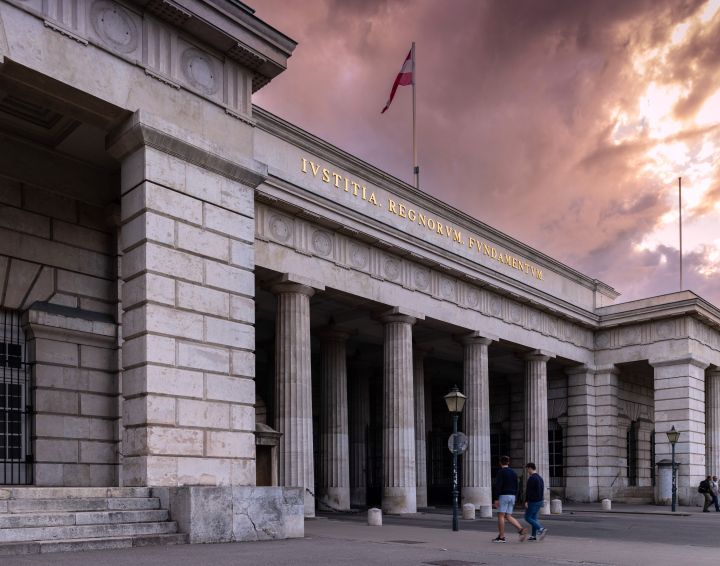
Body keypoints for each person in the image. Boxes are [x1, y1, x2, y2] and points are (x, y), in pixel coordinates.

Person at [492, 455, 528, 543]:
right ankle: (520, 529)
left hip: (503, 495)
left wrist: (496, 498)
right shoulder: (513, 472)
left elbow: (498, 485)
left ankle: (501, 537)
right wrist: (514, 494)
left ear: (500, 463)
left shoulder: (501, 472)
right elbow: (516, 484)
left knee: (500, 516)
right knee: (508, 516)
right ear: (508, 463)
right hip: (512, 495)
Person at [524, 463, 548, 541]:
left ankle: (541, 529)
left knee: (527, 517)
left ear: (530, 468)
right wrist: (543, 500)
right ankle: (533, 536)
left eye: (527, 469)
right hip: (539, 500)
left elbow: (529, 491)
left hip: (533, 501)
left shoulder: (532, 478)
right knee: (534, 518)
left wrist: (527, 501)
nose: (527, 471)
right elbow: (541, 490)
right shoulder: (540, 478)